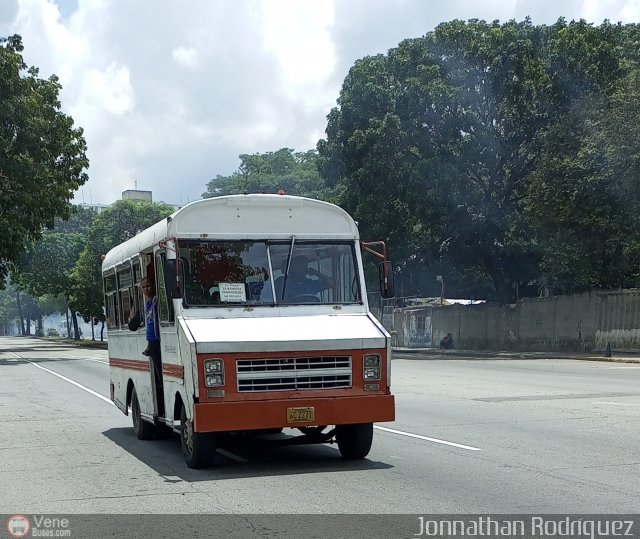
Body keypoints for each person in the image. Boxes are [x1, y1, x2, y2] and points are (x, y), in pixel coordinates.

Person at [128, 277, 164, 415]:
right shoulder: (147, 304)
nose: (146, 289)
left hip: (158, 341)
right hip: (152, 341)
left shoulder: (155, 300)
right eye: (143, 287)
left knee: (161, 374)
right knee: (157, 372)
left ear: (154, 286)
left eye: (148, 286)